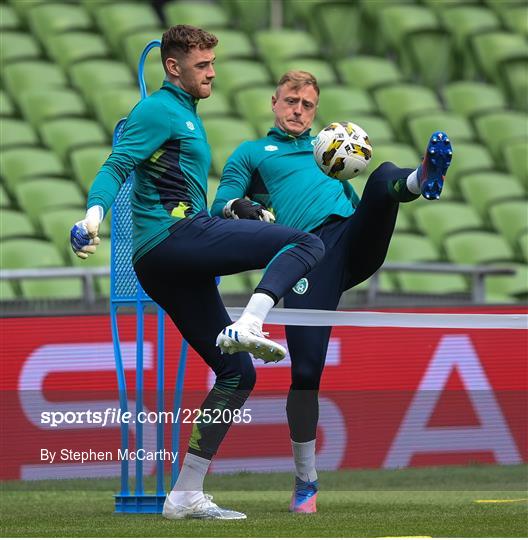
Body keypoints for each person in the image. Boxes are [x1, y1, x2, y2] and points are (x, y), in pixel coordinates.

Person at [70, 31, 325, 520]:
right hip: (173, 240)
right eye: (203, 64)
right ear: (172, 67)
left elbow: (174, 191)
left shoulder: (184, 114)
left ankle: (185, 493)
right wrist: (93, 217)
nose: (212, 72)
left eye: (213, 63)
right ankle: (250, 322)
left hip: (165, 258)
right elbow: (116, 164)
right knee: (306, 242)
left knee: (237, 372)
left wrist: (236, 211)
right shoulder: (159, 110)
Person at [211, 70, 453, 514]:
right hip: (309, 255)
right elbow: (218, 203)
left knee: (381, 178)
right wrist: (238, 205)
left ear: (315, 110)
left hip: (352, 240)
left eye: (306, 104)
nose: (297, 110)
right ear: (274, 102)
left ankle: (422, 179)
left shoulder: (331, 145)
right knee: (305, 371)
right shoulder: (253, 153)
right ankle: (306, 481)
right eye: (290, 101)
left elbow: (355, 192)